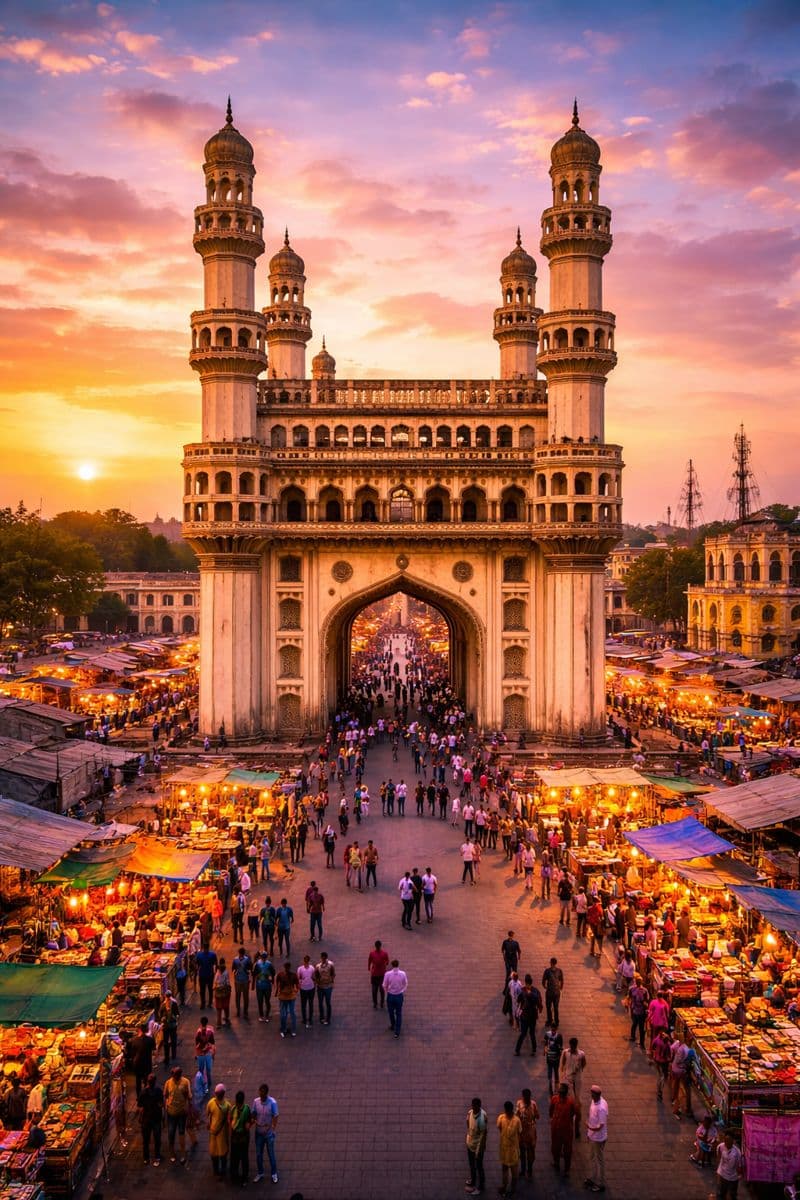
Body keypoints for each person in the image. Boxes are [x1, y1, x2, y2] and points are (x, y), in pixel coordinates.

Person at [558, 1037, 586, 1137]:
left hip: (577, 1081)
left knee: (577, 1104)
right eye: (571, 1045)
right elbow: (562, 1065)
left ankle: (577, 1126)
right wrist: (562, 1079)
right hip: (567, 1080)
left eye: (574, 1046)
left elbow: (583, 1064)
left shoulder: (581, 1054)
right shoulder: (566, 1052)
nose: (572, 1047)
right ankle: (570, 1123)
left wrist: (577, 1071)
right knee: (568, 1103)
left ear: (576, 1045)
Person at [252, 1083, 279, 1185]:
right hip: (258, 1132)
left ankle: (274, 1173)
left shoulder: (272, 1103)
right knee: (259, 1154)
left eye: (263, 1094)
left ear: (266, 1094)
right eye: (260, 1093)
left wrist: (272, 1127)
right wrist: (254, 1119)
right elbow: (253, 1112)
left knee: (271, 1154)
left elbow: (276, 1116)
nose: (261, 1096)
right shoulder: (256, 1101)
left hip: (268, 1134)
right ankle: (260, 1173)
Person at [163, 1064, 190, 1165]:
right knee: (171, 1132)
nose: (175, 1077)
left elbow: (189, 1095)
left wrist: (188, 1106)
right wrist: (165, 1107)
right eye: (174, 1075)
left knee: (182, 1132)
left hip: (182, 1112)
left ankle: (183, 1153)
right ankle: (172, 1152)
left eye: (177, 1075)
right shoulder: (168, 1083)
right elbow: (165, 1096)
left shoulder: (186, 1082)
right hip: (171, 1113)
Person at [584, 1084, 608, 1193]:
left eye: (592, 1094)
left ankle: (601, 1183)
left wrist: (590, 1127)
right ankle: (592, 1177)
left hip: (598, 1138)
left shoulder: (602, 1107)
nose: (591, 1095)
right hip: (592, 1136)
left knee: (599, 1160)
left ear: (597, 1095)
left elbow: (601, 1125)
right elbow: (591, 1116)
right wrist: (589, 1133)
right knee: (591, 1157)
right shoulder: (595, 1101)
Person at [496, 1099, 522, 1199]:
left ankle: (513, 1189)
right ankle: (504, 1186)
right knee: (504, 1170)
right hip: (504, 1149)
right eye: (506, 1110)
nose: (508, 1112)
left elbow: (519, 1133)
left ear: (511, 1110)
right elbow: (499, 1128)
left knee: (515, 1174)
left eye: (509, 1110)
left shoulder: (517, 1120)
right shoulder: (501, 1118)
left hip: (514, 1150)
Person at [549, 1083, 576, 1176]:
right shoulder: (554, 1099)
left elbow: (573, 1113)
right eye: (560, 1093)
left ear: (566, 1093)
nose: (561, 1095)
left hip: (566, 1130)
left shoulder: (570, 1102)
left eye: (562, 1093)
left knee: (567, 1150)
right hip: (556, 1128)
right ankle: (556, 1163)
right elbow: (551, 1110)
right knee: (555, 1147)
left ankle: (567, 1169)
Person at [137, 1072, 163, 1166]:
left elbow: (139, 1106)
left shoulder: (144, 1092)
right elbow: (161, 1104)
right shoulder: (158, 1091)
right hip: (154, 1118)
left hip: (148, 1119)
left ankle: (147, 1157)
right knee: (156, 1139)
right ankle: (156, 1156)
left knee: (147, 1140)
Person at [229, 1089, 253, 1187]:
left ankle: (243, 1177)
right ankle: (237, 1176)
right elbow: (230, 1120)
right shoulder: (236, 1109)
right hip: (237, 1137)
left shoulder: (243, 1109)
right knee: (237, 1157)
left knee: (242, 1158)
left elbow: (247, 1122)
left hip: (241, 1137)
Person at [207, 1083, 231, 1179]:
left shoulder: (225, 1105)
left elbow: (208, 1114)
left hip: (219, 1133)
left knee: (221, 1154)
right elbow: (209, 1114)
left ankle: (221, 1171)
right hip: (215, 1134)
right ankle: (217, 1171)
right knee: (216, 1154)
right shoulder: (225, 1105)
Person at [514, 974, 543, 1055]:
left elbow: (538, 1001)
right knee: (525, 1033)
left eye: (528, 984)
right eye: (527, 984)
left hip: (529, 1016)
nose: (527, 985)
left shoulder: (533, 991)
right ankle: (519, 1050)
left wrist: (530, 995)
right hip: (527, 1016)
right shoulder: (527, 990)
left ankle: (532, 1050)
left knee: (530, 1033)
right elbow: (519, 1000)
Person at [465, 1096, 487, 1196]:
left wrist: (479, 1150)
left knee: (479, 1166)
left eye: (475, 1106)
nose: (474, 1108)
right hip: (470, 1144)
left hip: (478, 1147)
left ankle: (481, 1186)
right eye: (473, 1106)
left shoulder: (481, 1118)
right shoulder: (470, 1112)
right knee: (471, 1165)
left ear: (479, 1106)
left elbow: (483, 1135)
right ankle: (473, 1180)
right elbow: (468, 1123)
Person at [515, 1088, 539, 1182]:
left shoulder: (533, 1104)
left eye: (528, 1097)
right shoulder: (519, 1104)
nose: (526, 1099)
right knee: (522, 1152)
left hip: (531, 1132)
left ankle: (530, 1170)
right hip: (522, 1132)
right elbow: (516, 1116)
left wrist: (533, 1118)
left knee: (530, 1153)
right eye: (525, 1097)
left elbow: (537, 1116)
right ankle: (523, 1169)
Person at [383, 958, 408, 1038]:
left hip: (391, 996)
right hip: (399, 996)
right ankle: (397, 1031)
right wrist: (402, 990)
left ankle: (393, 1025)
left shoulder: (387, 974)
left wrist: (387, 991)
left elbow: (384, 985)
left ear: (392, 965)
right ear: (398, 965)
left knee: (390, 1012)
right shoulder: (403, 973)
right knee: (399, 1013)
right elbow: (405, 984)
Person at [130, 1023, 155, 1100]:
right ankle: (146, 1096)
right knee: (147, 1080)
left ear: (139, 1030)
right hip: (147, 1063)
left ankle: (139, 1097)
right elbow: (153, 1050)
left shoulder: (134, 1040)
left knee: (138, 1082)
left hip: (138, 1063)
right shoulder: (150, 1040)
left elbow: (132, 1052)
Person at [275, 960, 300, 1038]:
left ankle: (284, 1029)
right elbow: (297, 984)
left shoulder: (281, 974)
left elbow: (277, 983)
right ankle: (291, 1030)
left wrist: (277, 992)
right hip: (288, 996)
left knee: (285, 1014)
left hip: (285, 996)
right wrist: (296, 991)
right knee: (290, 1013)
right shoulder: (292, 975)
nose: (287, 969)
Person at [715, 1131, 743, 1199]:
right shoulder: (720, 1146)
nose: (727, 1143)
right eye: (725, 1140)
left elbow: (739, 1166)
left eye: (729, 1141)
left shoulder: (737, 1152)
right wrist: (718, 1171)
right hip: (722, 1174)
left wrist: (739, 1175)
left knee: (732, 1195)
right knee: (721, 1194)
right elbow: (718, 1158)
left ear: (733, 1141)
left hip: (732, 1177)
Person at [651, 1027, 672, 1102]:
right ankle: (660, 1090)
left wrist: (654, 1054)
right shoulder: (667, 1044)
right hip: (664, 1062)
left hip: (657, 1060)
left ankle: (659, 1088)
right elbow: (669, 1054)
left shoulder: (657, 1039)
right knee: (663, 1076)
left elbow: (653, 1046)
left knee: (660, 1075)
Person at [194, 1016, 215, 1091]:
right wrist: (213, 1054)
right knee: (208, 1069)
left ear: (201, 1023)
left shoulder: (198, 1032)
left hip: (200, 1054)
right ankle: (209, 1083)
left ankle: (202, 1084)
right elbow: (213, 1043)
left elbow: (196, 1045)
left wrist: (196, 1054)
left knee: (201, 1070)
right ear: (207, 1022)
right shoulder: (210, 1031)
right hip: (208, 1053)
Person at [542, 957, 564, 1028]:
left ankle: (549, 1020)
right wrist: (560, 988)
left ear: (551, 963)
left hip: (549, 992)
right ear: (556, 963)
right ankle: (556, 1022)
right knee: (556, 1007)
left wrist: (545, 987)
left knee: (548, 1007)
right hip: (557, 992)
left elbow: (543, 981)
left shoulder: (547, 971)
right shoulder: (559, 971)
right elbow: (562, 980)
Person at [628, 976, 649, 1049]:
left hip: (639, 1011)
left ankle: (641, 1042)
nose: (639, 983)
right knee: (636, 1025)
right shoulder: (633, 989)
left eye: (640, 982)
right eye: (639, 981)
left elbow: (646, 1000)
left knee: (639, 1026)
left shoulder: (643, 990)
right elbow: (629, 998)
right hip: (636, 1010)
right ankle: (634, 1037)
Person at [315, 951, 335, 1025]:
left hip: (328, 987)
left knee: (328, 1003)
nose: (322, 959)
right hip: (320, 987)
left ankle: (328, 1018)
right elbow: (316, 975)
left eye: (324, 958)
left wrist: (330, 981)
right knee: (320, 1003)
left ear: (326, 958)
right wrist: (318, 982)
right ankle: (322, 1017)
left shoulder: (331, 965)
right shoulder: (318, 966)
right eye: (322, 958)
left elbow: (333, 974)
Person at [159, 991, 179, 1067]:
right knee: (166, 1042)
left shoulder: (173, 1004)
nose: (168, 999)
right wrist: (162, 1019)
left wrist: (175, 1017)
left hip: (172, 1025)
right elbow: (160, 1014)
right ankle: (167, 1057)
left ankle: (173, 1055)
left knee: (172, 1040)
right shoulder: (163, 1005)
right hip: (166, 1026)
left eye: (168, 997)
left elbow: (177, 1014)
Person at [368, 940, 390, 1009]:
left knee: (377, 990)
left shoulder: (374, 953)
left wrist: (369, 967)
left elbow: (370, 961)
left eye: (378, 946)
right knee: (379, 990)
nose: (377, 947)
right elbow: (387, 961)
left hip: (379, 974)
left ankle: (380, 1003)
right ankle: (378, 1003)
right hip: (379, 974)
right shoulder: (383, 953)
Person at [196, 945, 218, 1010]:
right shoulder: (199, 955)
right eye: (205, 949)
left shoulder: (212, 955)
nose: (206, 950)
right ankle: (203, 1003)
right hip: (203, 975)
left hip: (209, 975)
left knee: (210, 990)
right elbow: (197, 964)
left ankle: (210, 1003)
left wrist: (215, 971)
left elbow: (216, 963)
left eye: (206, 949)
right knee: (202, 990)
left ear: (208, 948)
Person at [298, 954, 317, 1028]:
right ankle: (307, 1019)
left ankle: (307, 1019)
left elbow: (313, 977)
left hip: (308, 988)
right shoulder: (303, 968)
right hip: (306, 988)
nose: (305, 962)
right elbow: (299, 978)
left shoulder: (309, 968)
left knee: (307, 1004)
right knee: (307, 1004)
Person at [544, 1027, 563, 1096]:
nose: (553, 1031)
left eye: (554, 1030)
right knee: (550, 1073)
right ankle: (551, 1087)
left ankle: (556, 1088)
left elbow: (561, 1046)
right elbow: (545, 1043)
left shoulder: (559, 1036)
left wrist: (560, 1051)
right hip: (550, 1058)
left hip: (556, 1059)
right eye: (552, 1030)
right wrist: (545, 1050)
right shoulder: (547, 1034)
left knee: (556, 1073)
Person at [213, 956, 232, 1028]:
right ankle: (221, 1021)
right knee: (222, 1007)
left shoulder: (220, 973)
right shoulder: (222, 972)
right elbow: (226, 983)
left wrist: (216, 986)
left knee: (221, 1007)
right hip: (223, 992)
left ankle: (221, 1021)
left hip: (221, 991)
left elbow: (216, 982)